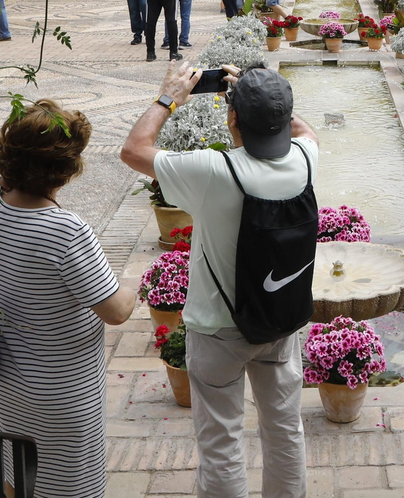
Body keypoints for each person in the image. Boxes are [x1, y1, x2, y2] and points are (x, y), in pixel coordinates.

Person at [120, 63, 319, 498]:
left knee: (221, 443)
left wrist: (169, 96)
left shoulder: (214, 171)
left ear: (232, 118)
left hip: (217, 330)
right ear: (283, 118)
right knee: (285, 431)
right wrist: (259, 84)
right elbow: (306, 131)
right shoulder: (306, 158)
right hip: (278, 323)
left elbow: (134, 149)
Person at [0, 99, 136, 498]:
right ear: (64, 171)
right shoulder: (64, 230)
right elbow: (115, 310)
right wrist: (135, 288)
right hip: (63, 388)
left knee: (20, 474)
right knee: (71, 485)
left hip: (11, 378)